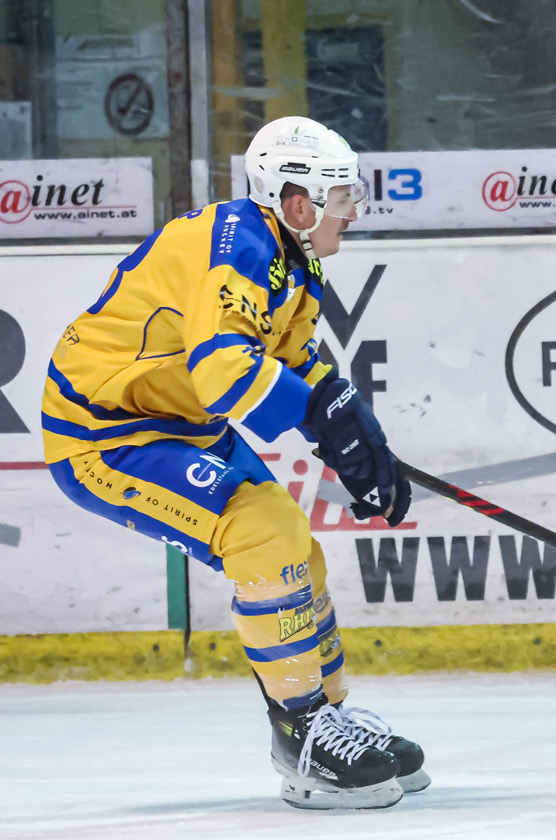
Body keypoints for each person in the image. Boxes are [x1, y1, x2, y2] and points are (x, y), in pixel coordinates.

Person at [40, 116, 425, 810]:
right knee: (262, 534)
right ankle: (300, 735)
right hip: (105, 435)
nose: (354, 212)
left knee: (293, 542)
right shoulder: (238, 247)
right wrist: (322, 417)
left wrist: (358, 436)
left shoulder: (291, 259)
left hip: (178, 422)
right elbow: (223, 372)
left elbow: (295, 360)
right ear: (298, 204)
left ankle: (327, 715)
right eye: (343, 198)